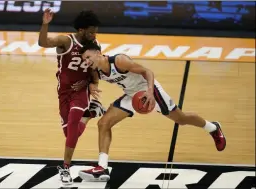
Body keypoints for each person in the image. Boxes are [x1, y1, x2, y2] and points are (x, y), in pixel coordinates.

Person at [76, 42, 227, 182]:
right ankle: (102, 168)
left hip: (149, 90)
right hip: (131, 95)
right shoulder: (94, 70)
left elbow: (147, 71)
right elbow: (94, 80)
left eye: (88, 57)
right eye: (84, 59)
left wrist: (149, 92)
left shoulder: (119, 61)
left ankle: (213, 128)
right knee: (103, 123)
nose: (87, 61)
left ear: (98, 52)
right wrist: (91, 86)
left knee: (181, 119)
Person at [38, 9, 105, 186]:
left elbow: (94, 69)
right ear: (81, 30)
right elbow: (43, 42)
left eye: (95, 32)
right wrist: (45, 24)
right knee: (70, 133)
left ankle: (65, 167)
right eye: (91, 31)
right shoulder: (66, 41)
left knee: (74, 119)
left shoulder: (94, 44)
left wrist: (91, 84)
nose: (94, 35)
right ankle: (90, 115)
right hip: (64, 92)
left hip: (81, 90)